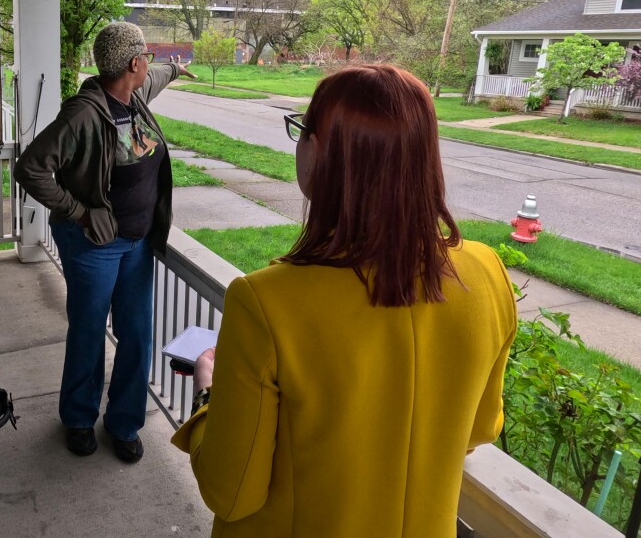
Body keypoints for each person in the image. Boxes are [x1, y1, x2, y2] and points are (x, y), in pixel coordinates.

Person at [172, 64, 517, 537]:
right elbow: (479, 429)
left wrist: (209, 393)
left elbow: (231, 492)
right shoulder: (486, 273)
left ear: (317, 151)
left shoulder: (266, 302)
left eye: (301, 130)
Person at [16, 22, 197, 463]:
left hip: (138, 243)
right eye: (147, 59)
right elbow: (31, 168)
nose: (149, 66)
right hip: (94, 244)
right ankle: (78, 418)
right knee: (89, 330)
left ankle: (124, 422)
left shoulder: (134, 94)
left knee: (136, 334)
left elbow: (160, 76)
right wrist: (79, 212)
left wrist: (174, 68)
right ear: (133, 63)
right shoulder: (82, 114)